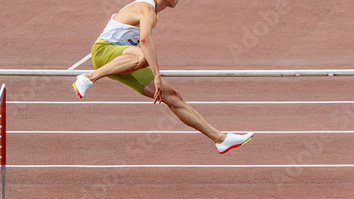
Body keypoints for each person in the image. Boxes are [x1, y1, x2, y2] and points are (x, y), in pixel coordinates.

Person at [72, 0, 253, 154]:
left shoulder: (151, 13)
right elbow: (145, 41)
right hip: (104, 51)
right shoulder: (146, 9)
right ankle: (89, 77)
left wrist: (157, 75)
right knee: (143, 56)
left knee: (172, 96)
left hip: (124, 59)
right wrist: (157, 76)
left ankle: (220, 139)